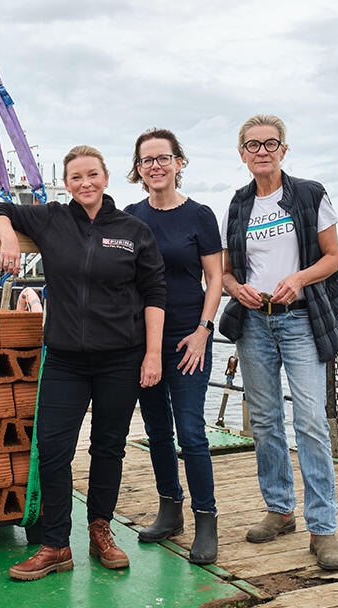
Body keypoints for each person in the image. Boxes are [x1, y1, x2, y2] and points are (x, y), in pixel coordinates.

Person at [0, 145, 166, 581]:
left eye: (92, 174)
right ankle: (56, 544)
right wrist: (9, 236)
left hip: (121, 358)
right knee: (52, 449)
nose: (85, 183)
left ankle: (101, 530)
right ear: (65, 184)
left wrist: (153, 354)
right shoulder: (51, 219)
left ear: (106, 178)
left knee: (108, 446)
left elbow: (155, 294)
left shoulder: (133, 230)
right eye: (75, 177)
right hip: (65, 358)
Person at [217, 114, 338, 571]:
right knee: (267, 421)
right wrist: (237, 290)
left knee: (310, 419)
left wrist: (298, 278)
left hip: (299, 320)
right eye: (252, 145)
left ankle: (323, 529)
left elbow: (333, 257)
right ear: (242, 154)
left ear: (284, 150)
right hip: (255, 323)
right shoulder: (237, 205)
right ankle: (279, 509)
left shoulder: (310, 194)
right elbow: (228, 273)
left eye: (270, 143)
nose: (262, 151)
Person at [123, 129, 223, 564]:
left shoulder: (200, 215)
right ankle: (170, 510)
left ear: (179, 163)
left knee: (191, 431)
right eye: (147, 160)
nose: (156, 166)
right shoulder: (130, 217)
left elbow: (215, 279)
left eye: (164, 158)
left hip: (188, 338)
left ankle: (206, 519)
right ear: (138, 169)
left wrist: (204, 329)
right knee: (158, 430)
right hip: (145, 340)